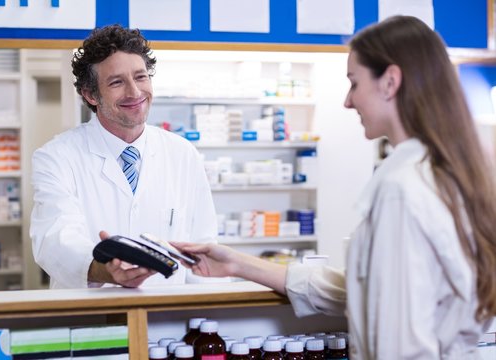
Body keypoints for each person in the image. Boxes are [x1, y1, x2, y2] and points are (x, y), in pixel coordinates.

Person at [173, 16, 496, 358]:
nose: (347, 101)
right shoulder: (446, 172)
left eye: (354, 83)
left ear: (390, 82)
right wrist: (238, 264)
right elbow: (365, 290)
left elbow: (402, 347)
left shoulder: (404, 188)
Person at [30, 25, 218, 289]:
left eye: (141, 77)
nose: (135, 92)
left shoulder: (182, 153)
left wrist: (209, 317)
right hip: (91, 320)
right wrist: (103, 269)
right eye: (117, 82)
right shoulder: (56, 157)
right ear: (90, 94)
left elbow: (204, 246)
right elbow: (55, 239)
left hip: (169, 319)